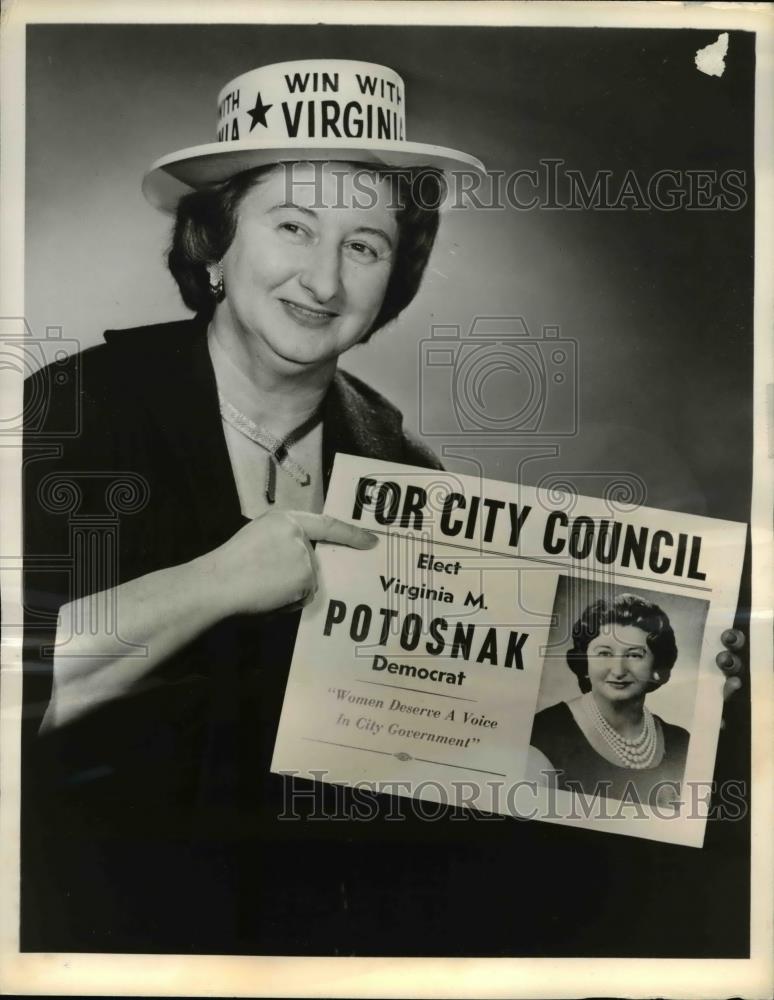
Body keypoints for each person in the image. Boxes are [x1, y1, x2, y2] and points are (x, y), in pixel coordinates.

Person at [22, 59, 745, 955]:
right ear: (215, 243)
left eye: (363, 245)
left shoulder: (406, 469)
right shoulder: (78, 407)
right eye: (292, 226)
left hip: (330, 927)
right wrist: (215, 582)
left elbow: (435, 743)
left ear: (390, 279)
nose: (323, 281)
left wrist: (715, 680)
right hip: (97, 923)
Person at [530, 593, 696, 805]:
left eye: (635, 655)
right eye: (604, 654)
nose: (618, 670)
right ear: (585, 663)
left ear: (657, 667)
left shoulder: (681, 743)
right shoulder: (544, 732)